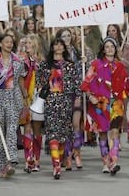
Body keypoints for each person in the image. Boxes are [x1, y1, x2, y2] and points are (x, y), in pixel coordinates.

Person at [80, 36, 129, 175]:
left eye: (112, 46)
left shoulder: (120, 66)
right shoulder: (96, 64)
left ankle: (114, 161)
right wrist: (90, 96)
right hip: (100, 103)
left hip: (116, 104)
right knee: (103, 133)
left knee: (115, 131)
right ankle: (105, 162)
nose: (109, 49)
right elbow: (85, 83)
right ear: (103, 49)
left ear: (115, 49)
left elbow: (127, 85)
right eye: (107, 46)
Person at [35, 37, 80, 179]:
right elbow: (38, 82)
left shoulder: (70, 65)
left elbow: (76, 84)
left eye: (61, 44)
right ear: (52, 47)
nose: (59, 47)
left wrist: (77, 99)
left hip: (66, 102)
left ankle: (59, 160)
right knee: (53, 133)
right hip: (50, 101)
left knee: (63, 136)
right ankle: (56, 166)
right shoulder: (44, 65)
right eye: (56, 44)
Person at [0, 33, 27, 178]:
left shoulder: (18, 61)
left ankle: (11, 161)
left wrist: (24, 99)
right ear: (0, 44)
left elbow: (20, 81)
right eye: (6, 41)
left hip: (12, 98)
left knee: (11, 131)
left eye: (11, 41)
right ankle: (2, 164)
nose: (9, 44)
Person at [56, 28, 84, 170]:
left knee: (76, 124)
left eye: (68, 35)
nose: (66, 38)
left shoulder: (78, 52)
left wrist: (79, 94)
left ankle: (77, 153)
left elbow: (80, 76)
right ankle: (66, 155)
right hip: (61, 94)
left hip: (75, 93)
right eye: (63, 36)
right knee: (65, 126)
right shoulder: (58, 54)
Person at [19, 33, 45, 173]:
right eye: (26, 43)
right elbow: (20, 79)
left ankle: (37, 159)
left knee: (37, 128)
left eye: (29, 43)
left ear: (35, 44)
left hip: (39, 96)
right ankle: (28, 159)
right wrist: (24, 95)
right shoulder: (22, 60)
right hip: (26, 96)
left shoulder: (41, 61)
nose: (26, 45)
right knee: (27, 127)